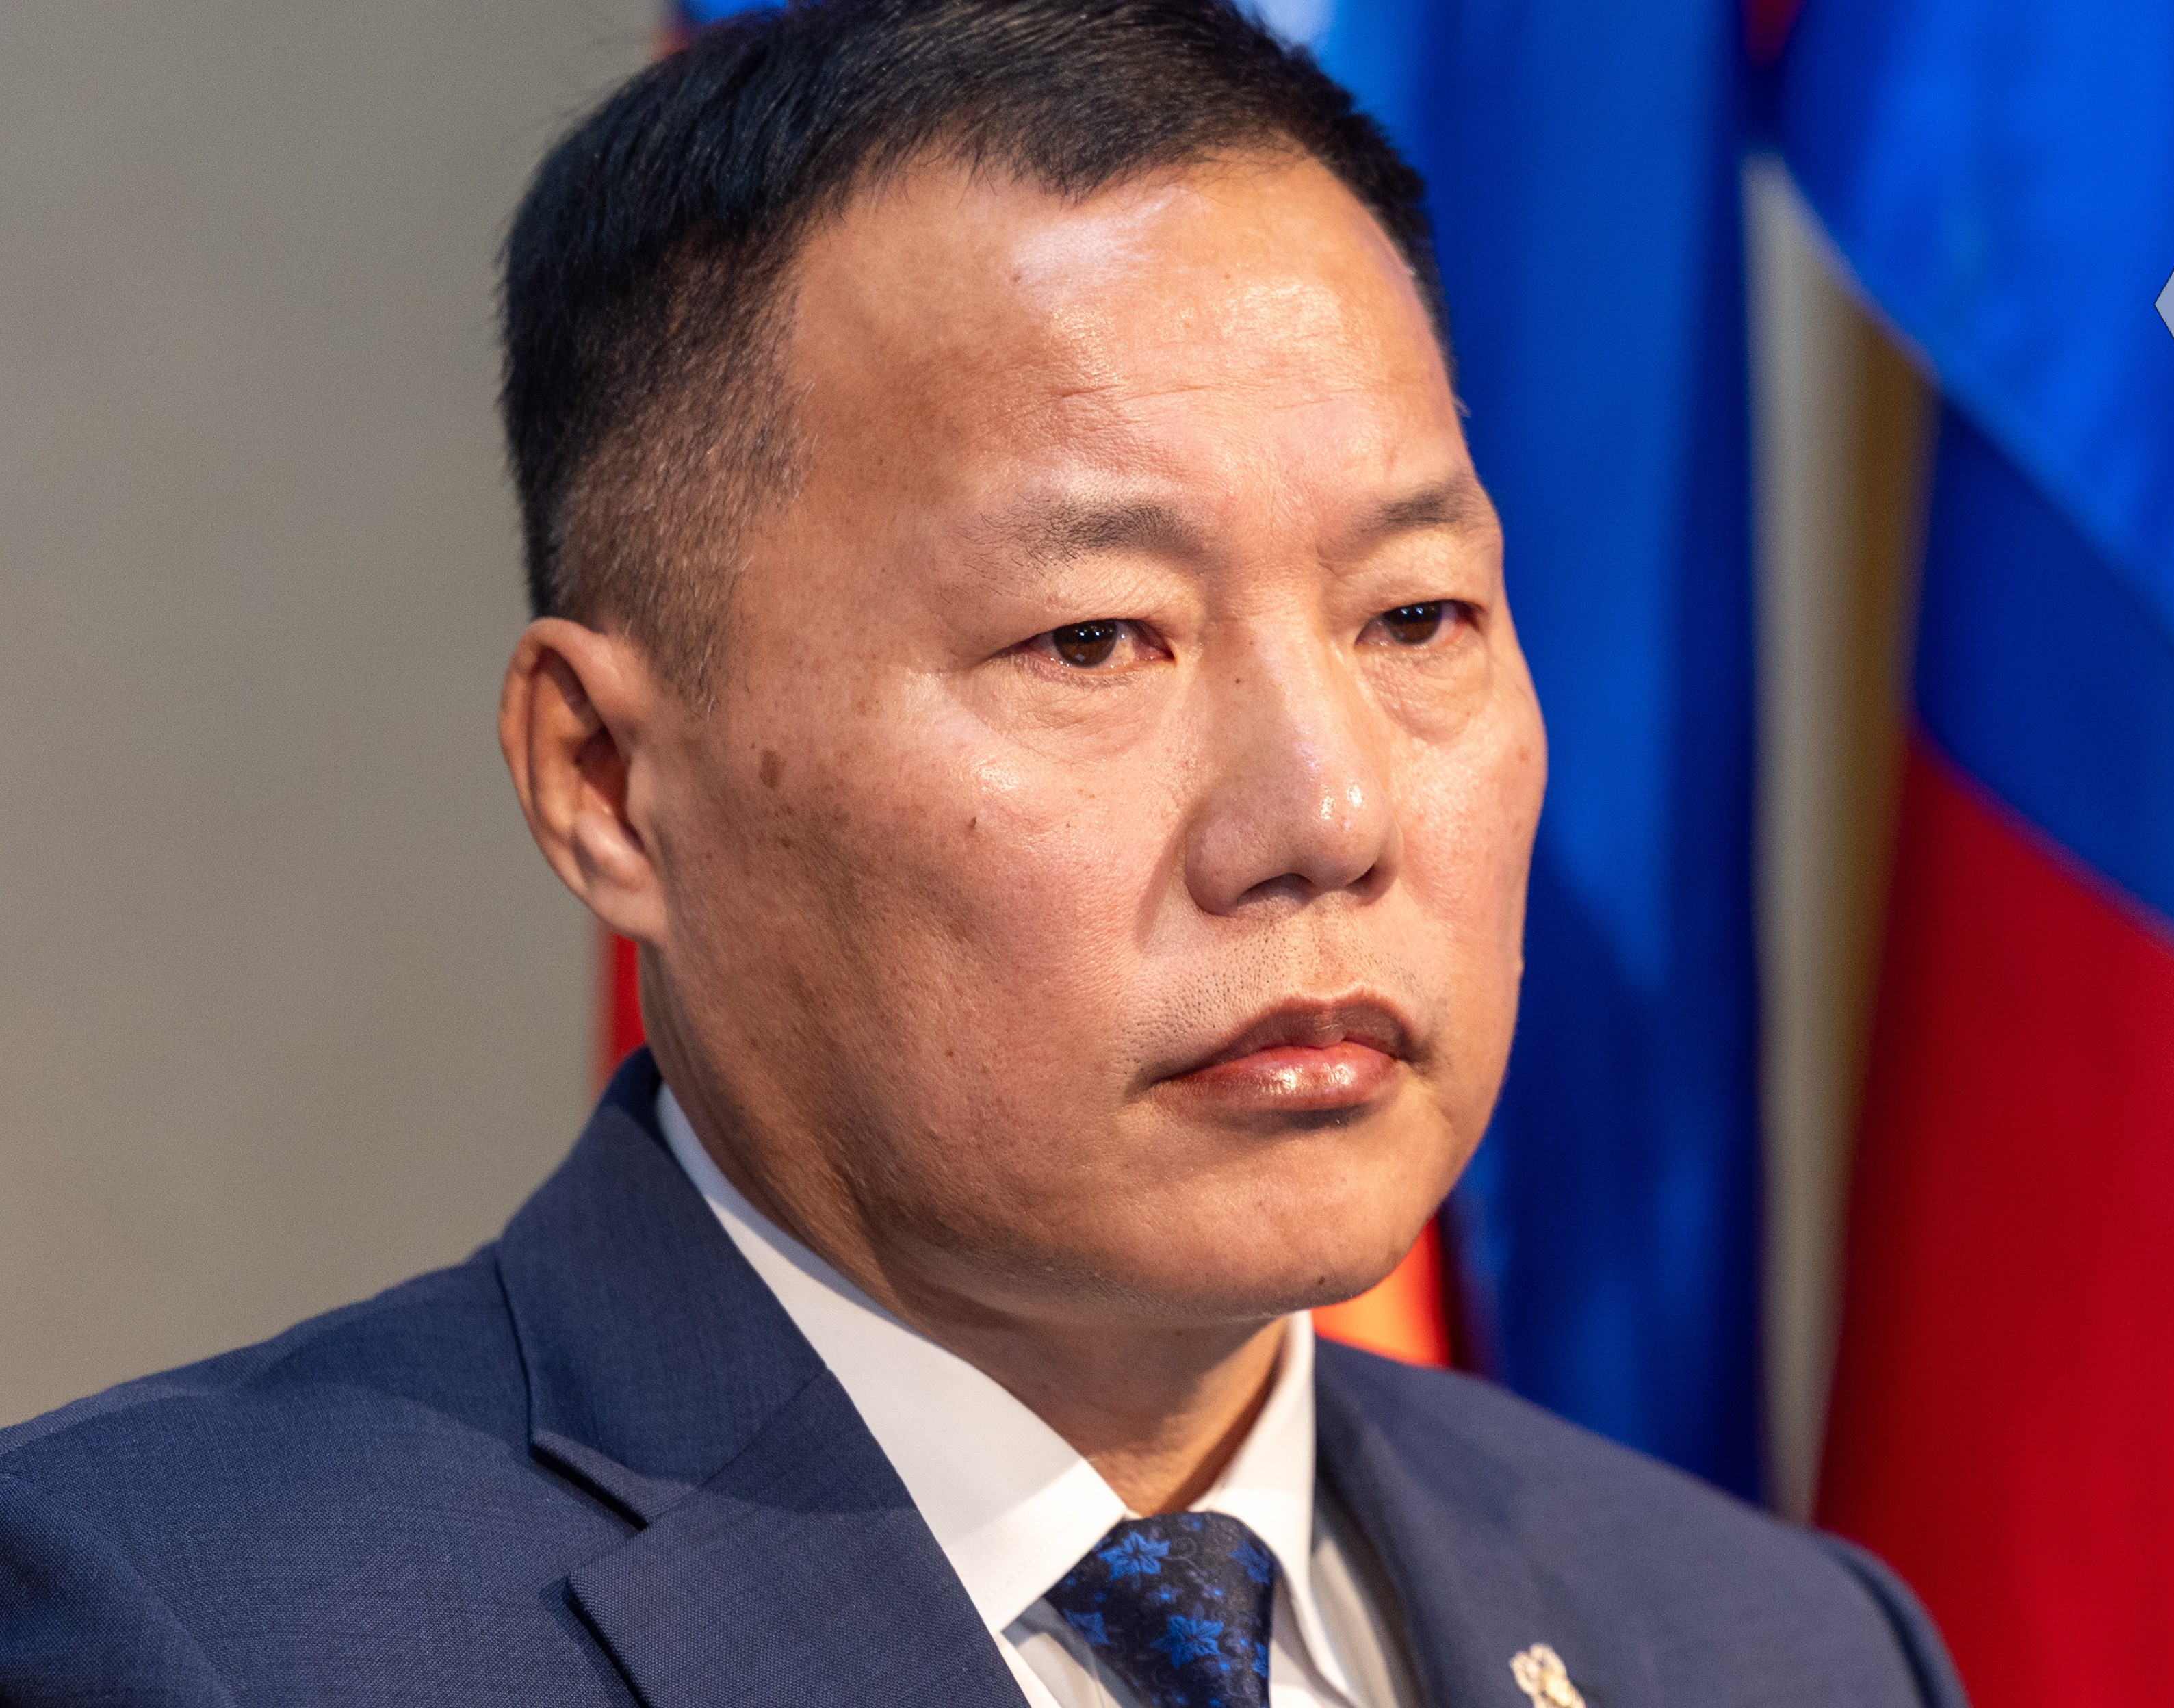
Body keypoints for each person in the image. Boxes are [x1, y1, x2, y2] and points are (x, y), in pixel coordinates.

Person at [0, 4, 1963, 1703]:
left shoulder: (1778, 1648)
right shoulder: (189, 1633)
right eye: (1094, 640)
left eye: (1416, 618)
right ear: (606, 780)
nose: (1329, 818)